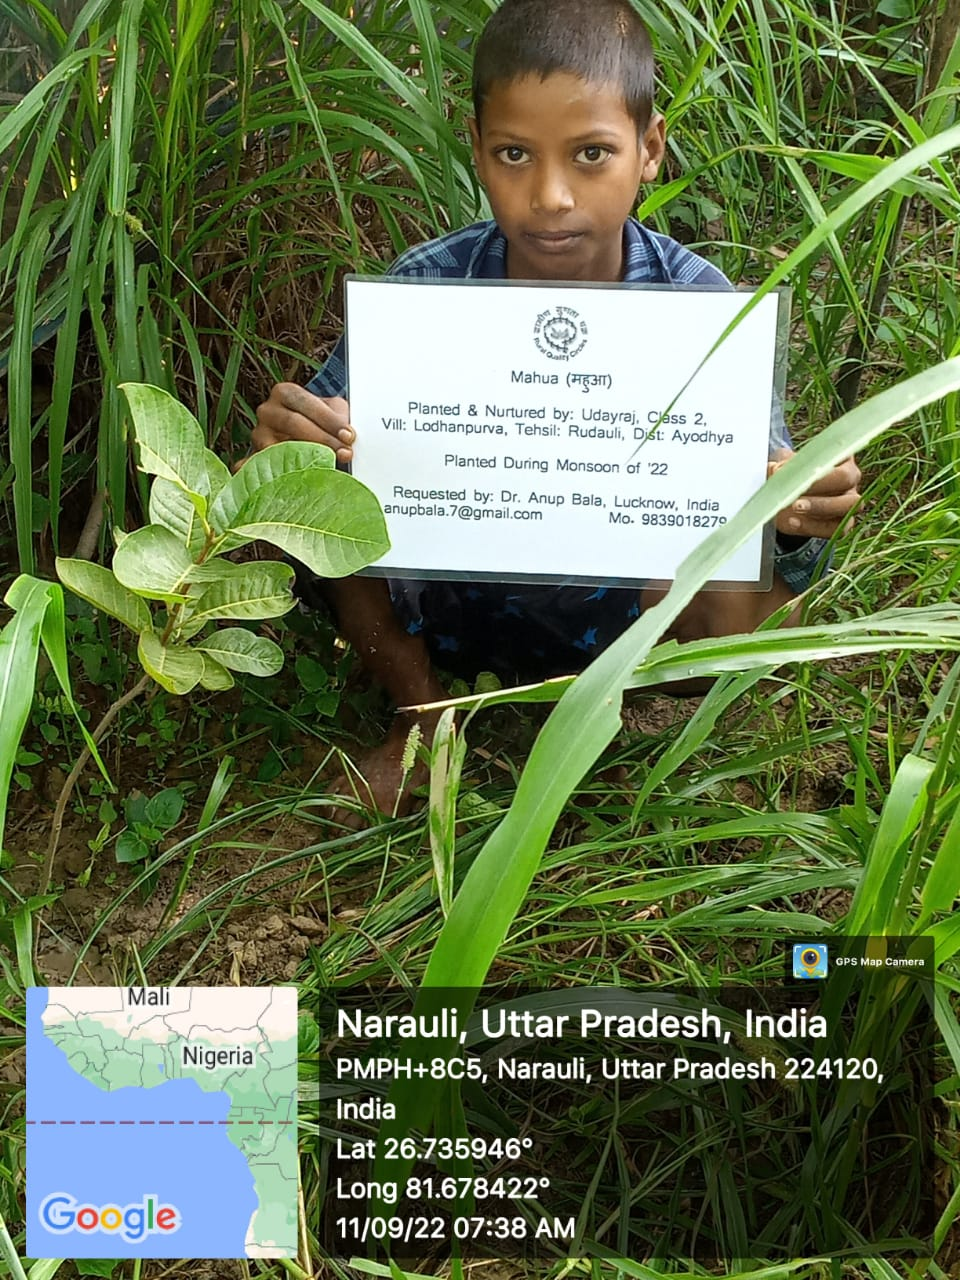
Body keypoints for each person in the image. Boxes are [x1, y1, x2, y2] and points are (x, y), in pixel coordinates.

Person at [252, 0, 861, 815]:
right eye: (513, 153)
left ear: (648, 150)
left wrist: (792, 505)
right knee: (344, 494)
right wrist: (292, 449)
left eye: (590, 154)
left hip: (623, 620)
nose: (550, 195)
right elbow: (313, 458)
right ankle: (424, 716)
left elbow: (766, 497)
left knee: (743, 570)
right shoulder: (425, 291)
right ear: (475, 149)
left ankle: (614, 709)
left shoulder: (699, 306)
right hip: (449, 607)